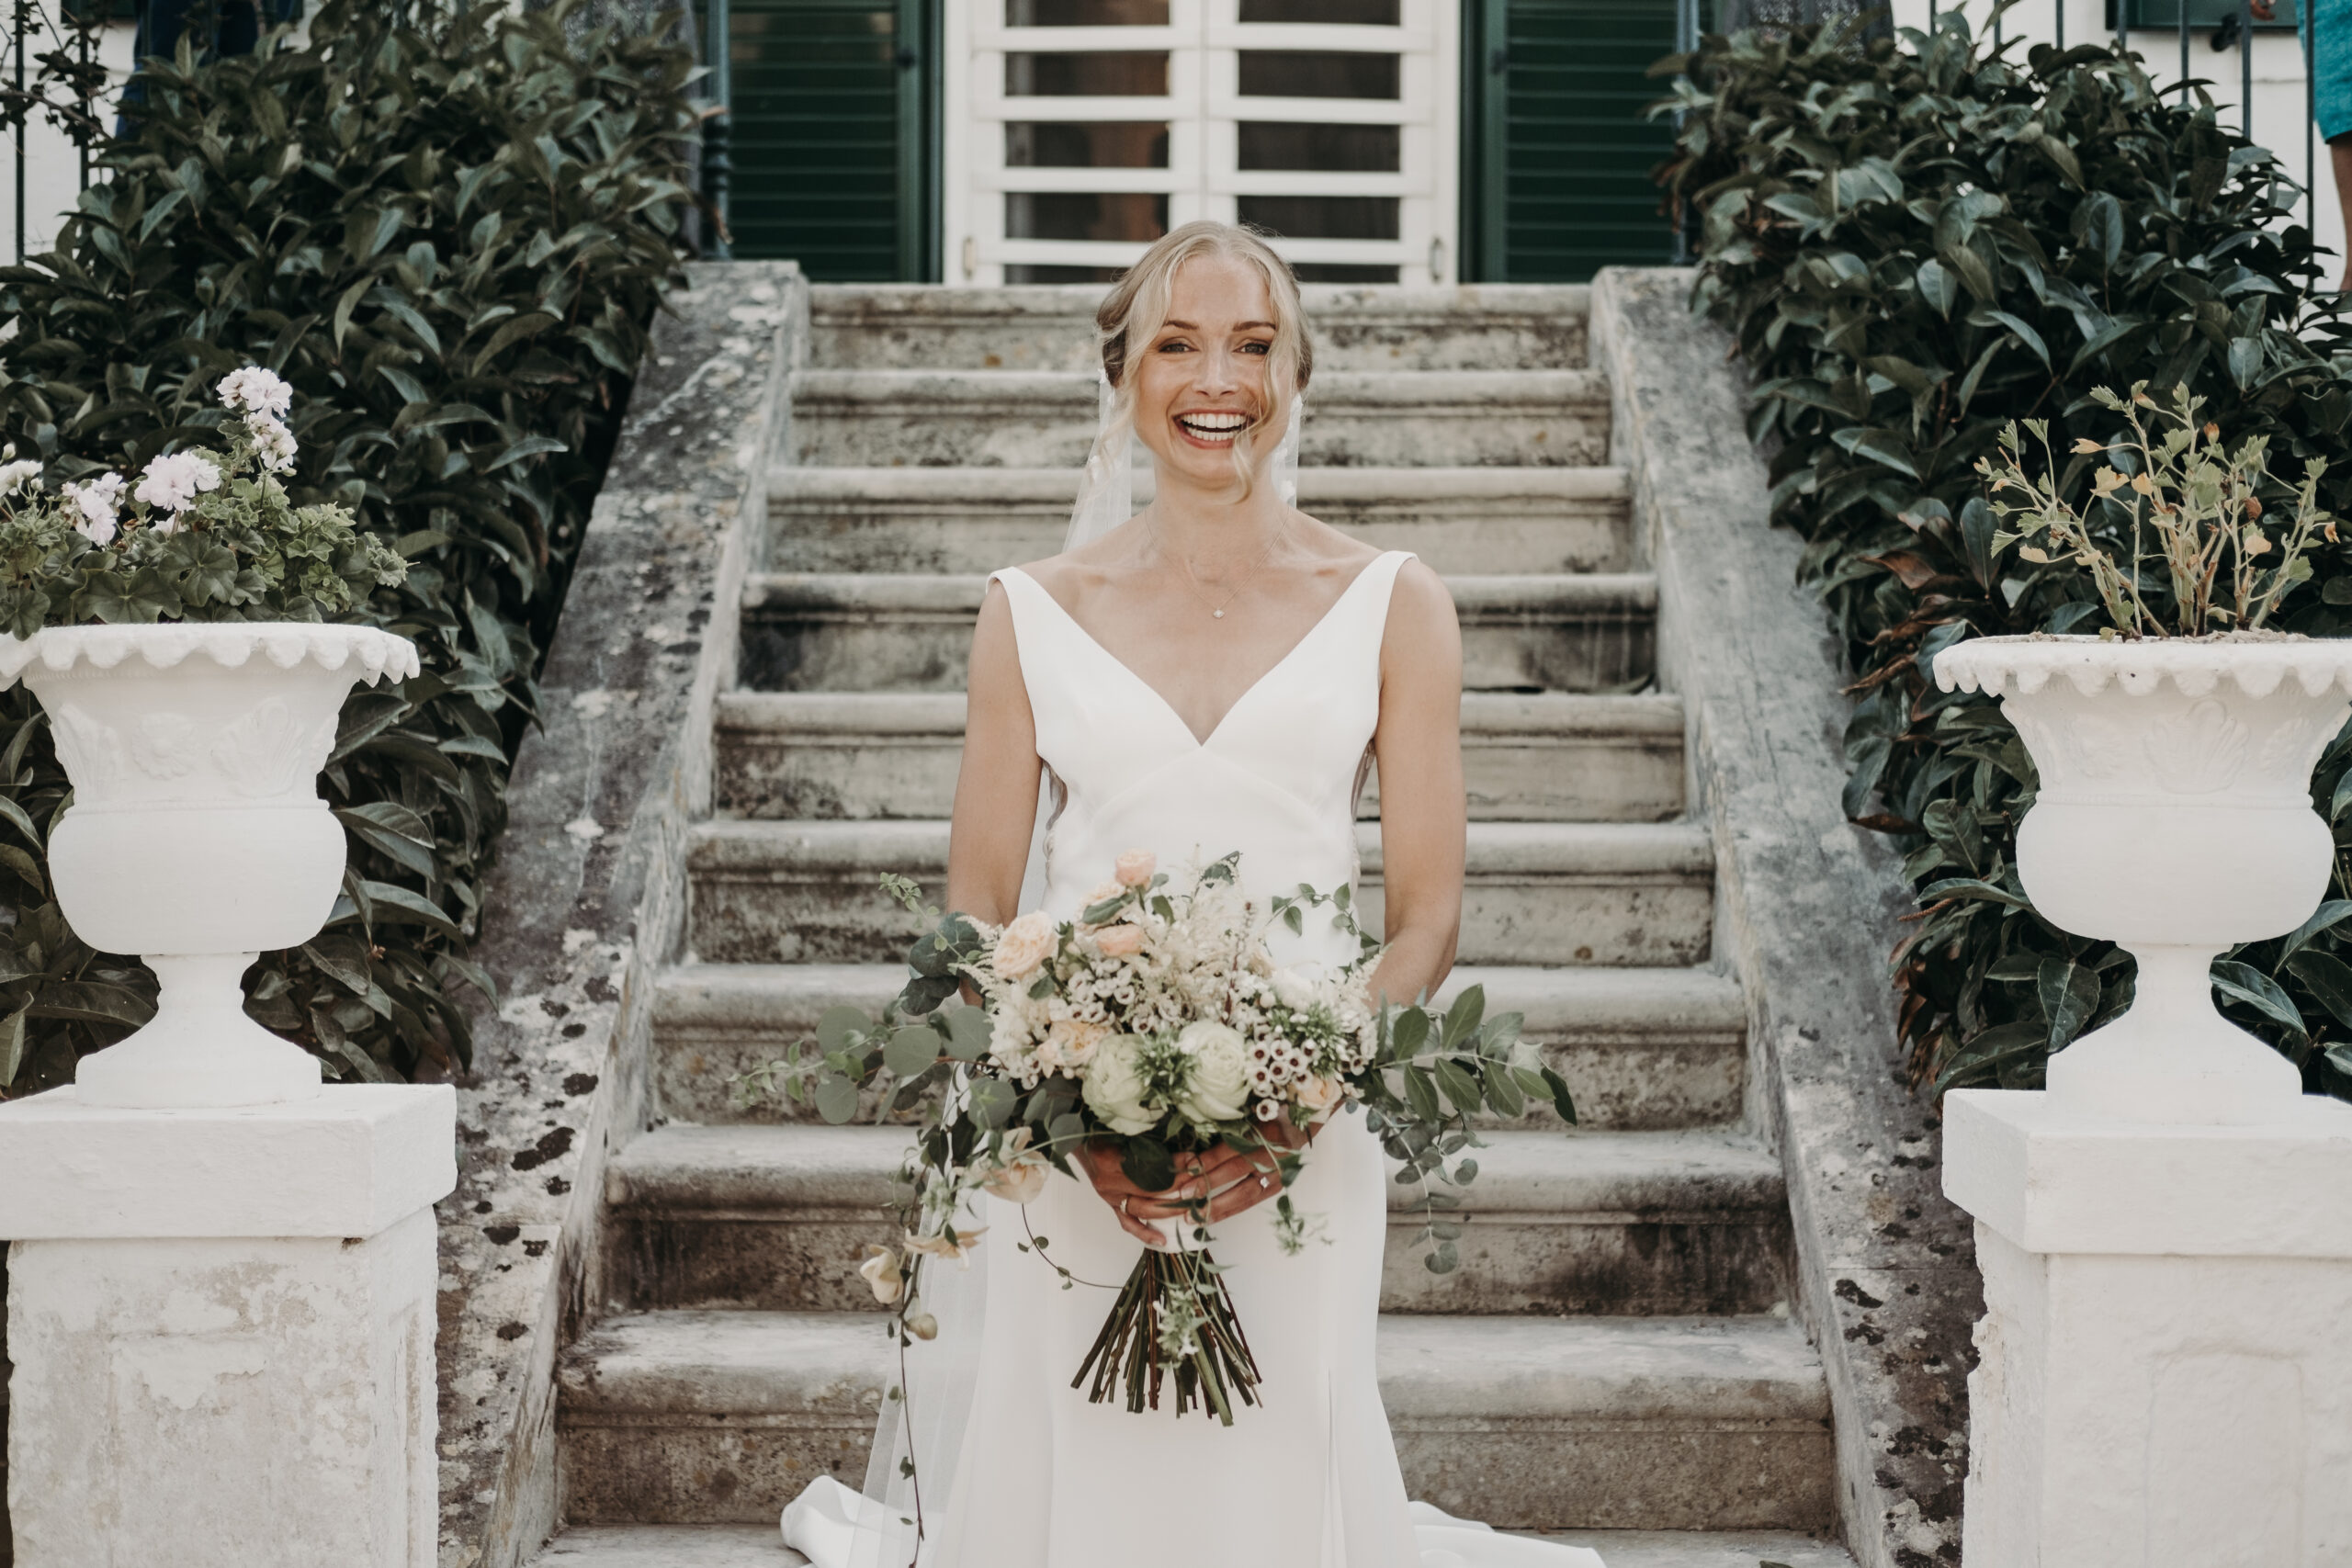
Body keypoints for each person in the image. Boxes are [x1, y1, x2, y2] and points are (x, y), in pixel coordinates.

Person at [779, 222, 1607, 1567]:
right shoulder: (1029, 609)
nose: (1216, 379)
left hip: (1304, 1129)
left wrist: (1302, 1090)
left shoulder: (1395, 604)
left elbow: (1426, 920)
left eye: (1253, 345)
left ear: (1298, 377)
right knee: (1077, 1477)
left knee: (1281, 1462)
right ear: (1124, 376)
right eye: (1177, 343)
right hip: (1072, 1136)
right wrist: (1068, 1083)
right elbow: (980, 907)